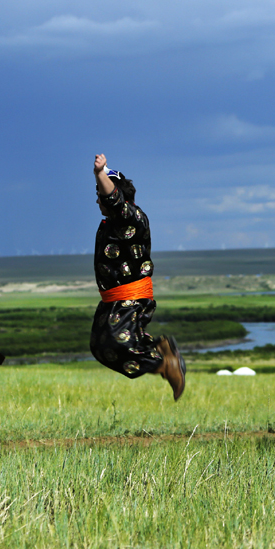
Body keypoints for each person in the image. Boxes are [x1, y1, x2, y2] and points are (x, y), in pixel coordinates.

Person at [90, 154, 186, 400]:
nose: (98, 197)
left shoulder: (130, 216)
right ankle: (161, 350)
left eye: (100, 192)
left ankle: (166, 364)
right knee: (100, 346)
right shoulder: (114, 221)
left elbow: (114, 200)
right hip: (114, 298)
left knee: (117, 342)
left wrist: (100, 173)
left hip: (130, 296)